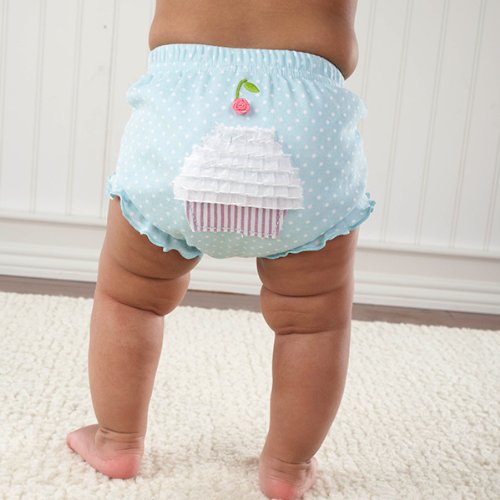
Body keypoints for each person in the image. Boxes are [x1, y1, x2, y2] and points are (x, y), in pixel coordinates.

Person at [66, 1, 375, 498]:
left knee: (131, 297)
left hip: (180, 112)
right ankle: (287, 467)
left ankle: (116, 439)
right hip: (307, 127)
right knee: (312, 320)